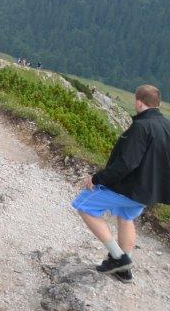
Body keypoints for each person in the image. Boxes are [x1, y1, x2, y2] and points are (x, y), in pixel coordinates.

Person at [72, 84, 170, 283]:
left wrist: (96, 179)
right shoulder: (167, 125)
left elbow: (127, 163)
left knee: (84, 205)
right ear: (158, 104)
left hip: (130, 188)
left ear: (139, 102)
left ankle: (118, 258)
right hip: (149, 192)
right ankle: (124, 271)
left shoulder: (141, 126)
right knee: (126, 217)